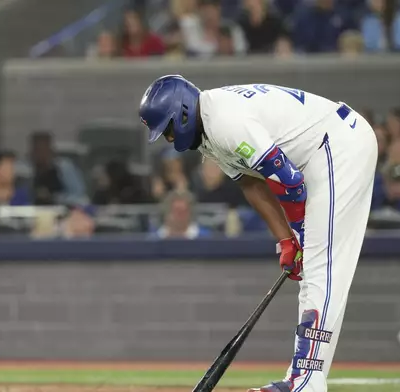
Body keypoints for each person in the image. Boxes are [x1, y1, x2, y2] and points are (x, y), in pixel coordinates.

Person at [139, 75, 377, 392]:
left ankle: (305, 382)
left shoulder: (223, 120)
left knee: (321, 265)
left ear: (182, 112)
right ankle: (305, 378)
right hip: (323, 153)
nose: (168, 138)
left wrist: (301, 232)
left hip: (338, 145)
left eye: (167, 128)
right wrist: (285, 240)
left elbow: (288, 180)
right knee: (315, 271)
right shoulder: (208, 129)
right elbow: (250, 183)